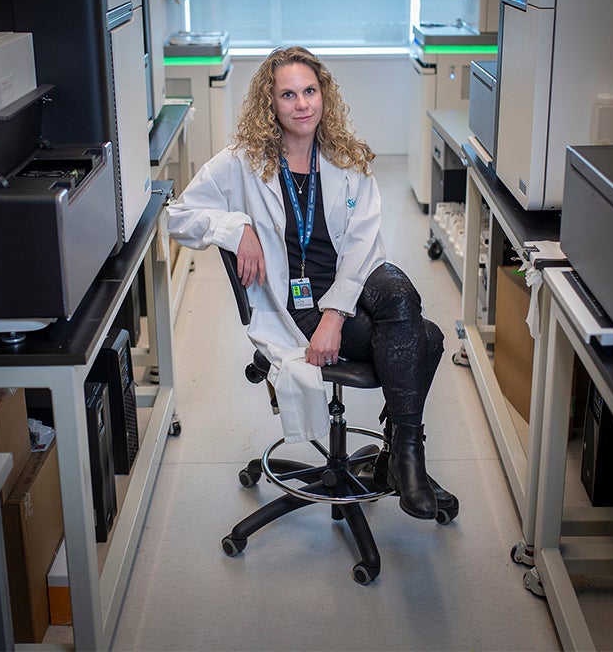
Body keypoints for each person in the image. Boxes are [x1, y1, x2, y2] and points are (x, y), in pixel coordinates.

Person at [166, 46, 451, 520]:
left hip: (354, 283)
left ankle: (403, 457)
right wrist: (237, 229)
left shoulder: (346, 157)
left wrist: (335, 317)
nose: (302, 104)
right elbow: (179, 216)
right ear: (270, 104)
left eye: (310, 91)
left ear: (324, 95)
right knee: (429, 339)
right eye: (288, 95)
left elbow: (363, 244)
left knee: (400, 290)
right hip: (296, 304)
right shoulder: (242, 162)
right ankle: (399, 458)